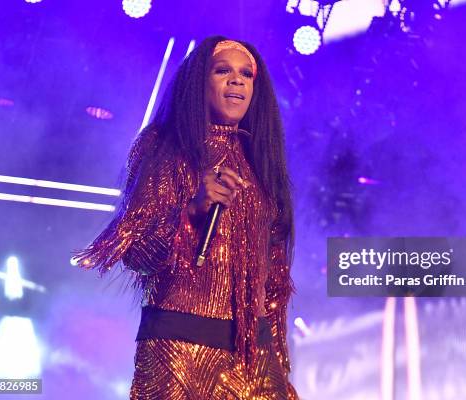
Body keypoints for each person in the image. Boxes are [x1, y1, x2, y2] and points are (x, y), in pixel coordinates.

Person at [73, 36, 298, 399]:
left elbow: (274, 282)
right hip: (178, 349)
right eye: (222, 71)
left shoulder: (262, 165)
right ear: (199, 83)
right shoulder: (165, 149)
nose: (237, 81)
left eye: (246, 74)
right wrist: (192, 211)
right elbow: (137, 255)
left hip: (253, 358)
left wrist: (277, 365)